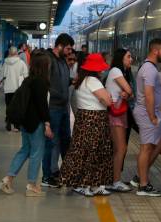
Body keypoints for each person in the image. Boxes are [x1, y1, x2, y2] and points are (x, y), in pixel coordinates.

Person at [0, 50, 54, 196]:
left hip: (25, 122)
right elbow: (42, 106)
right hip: (36, 123)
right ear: (44, 66)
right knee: (36, 153)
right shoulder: (41, 82)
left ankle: (8, 179)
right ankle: (32, 185)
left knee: (25, 150)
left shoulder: (29, 80)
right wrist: (47, 123)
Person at [60, 53, 113, 197]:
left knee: (82, 152)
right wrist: (109, 98)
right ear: (95, 68)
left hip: (85, 118)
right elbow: (108, 101)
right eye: (100, 68)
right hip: (95, 119)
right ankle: (86, 185)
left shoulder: (81, 80)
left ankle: (89, 185)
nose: (102, 70)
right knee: (95, 153)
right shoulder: (93, 81)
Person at [131, 38, 161, 196]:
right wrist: (152, 116)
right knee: (146, 147)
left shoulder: (150, 68)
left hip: (150, 113)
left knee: (159, 144)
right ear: (155, 51)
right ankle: (143, 185)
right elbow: (148, 94)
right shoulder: (149, 69)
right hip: (147, 113)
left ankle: (140, 175)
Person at [42, 33, 74, 188]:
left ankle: (64, 172)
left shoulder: (62, 61)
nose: (69, 52)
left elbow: (62, 81)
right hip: (53, 107)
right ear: (59, 46)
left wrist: (72, 81)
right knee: (50, 142)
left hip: (63, 108)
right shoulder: (49, 60)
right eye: (68, 48)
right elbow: (46, 84)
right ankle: (47, 176)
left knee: (65, 140)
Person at [104, 48, 133, 192]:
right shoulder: (116, 71)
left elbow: (128, 93)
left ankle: (112, 179)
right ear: (121, 58)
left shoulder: (119, 72)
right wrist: (127, 93)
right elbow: (129, 90)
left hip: (118, 112)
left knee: (117, 148)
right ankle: (115, 181)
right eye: (128, 57)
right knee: (121, 148)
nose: (131, 59)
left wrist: (127, 94)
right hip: (115, 114)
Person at [0, 46, 29, 131]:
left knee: (9, 106)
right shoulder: (21, 63)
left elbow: (1, 75)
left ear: (9, 53)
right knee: (18, 107)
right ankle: (16, 126)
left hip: (8, 88)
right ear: (16, 53)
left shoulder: (5, 63)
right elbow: (26, 75)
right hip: (18, 88)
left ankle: (8, 122)